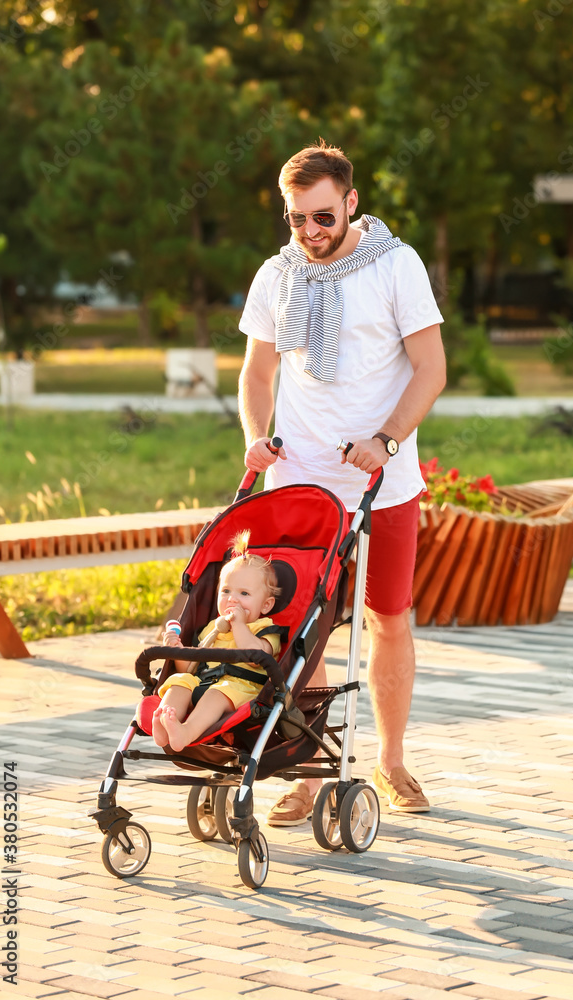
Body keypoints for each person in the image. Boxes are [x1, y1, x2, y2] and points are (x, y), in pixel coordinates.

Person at [238, 139, 446, 825]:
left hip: (380, 483)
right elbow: (258, 373)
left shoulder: (395, 266)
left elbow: (429, 369)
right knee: (301, 626)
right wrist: (253, 437)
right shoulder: (278, 274)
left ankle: (387, 761)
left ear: (351, 201)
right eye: (297, 218)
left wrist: (384, 440)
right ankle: (305, 766)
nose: (310, 232)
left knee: (388, 616)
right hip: (299, 481)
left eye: (323, 216)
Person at [152, 531, 281, 753]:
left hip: (242, 689)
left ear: (266, 605)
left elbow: (257, 658)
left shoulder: (264, 629)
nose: (232, 599)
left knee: (217, 693)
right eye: (226, 591)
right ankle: (165, 723)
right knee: (178, 681)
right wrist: (177, 651)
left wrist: (239, 625)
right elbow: (193, 667)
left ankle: (185, 731)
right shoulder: (212, 628)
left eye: (244, 593)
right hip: (204, 682)